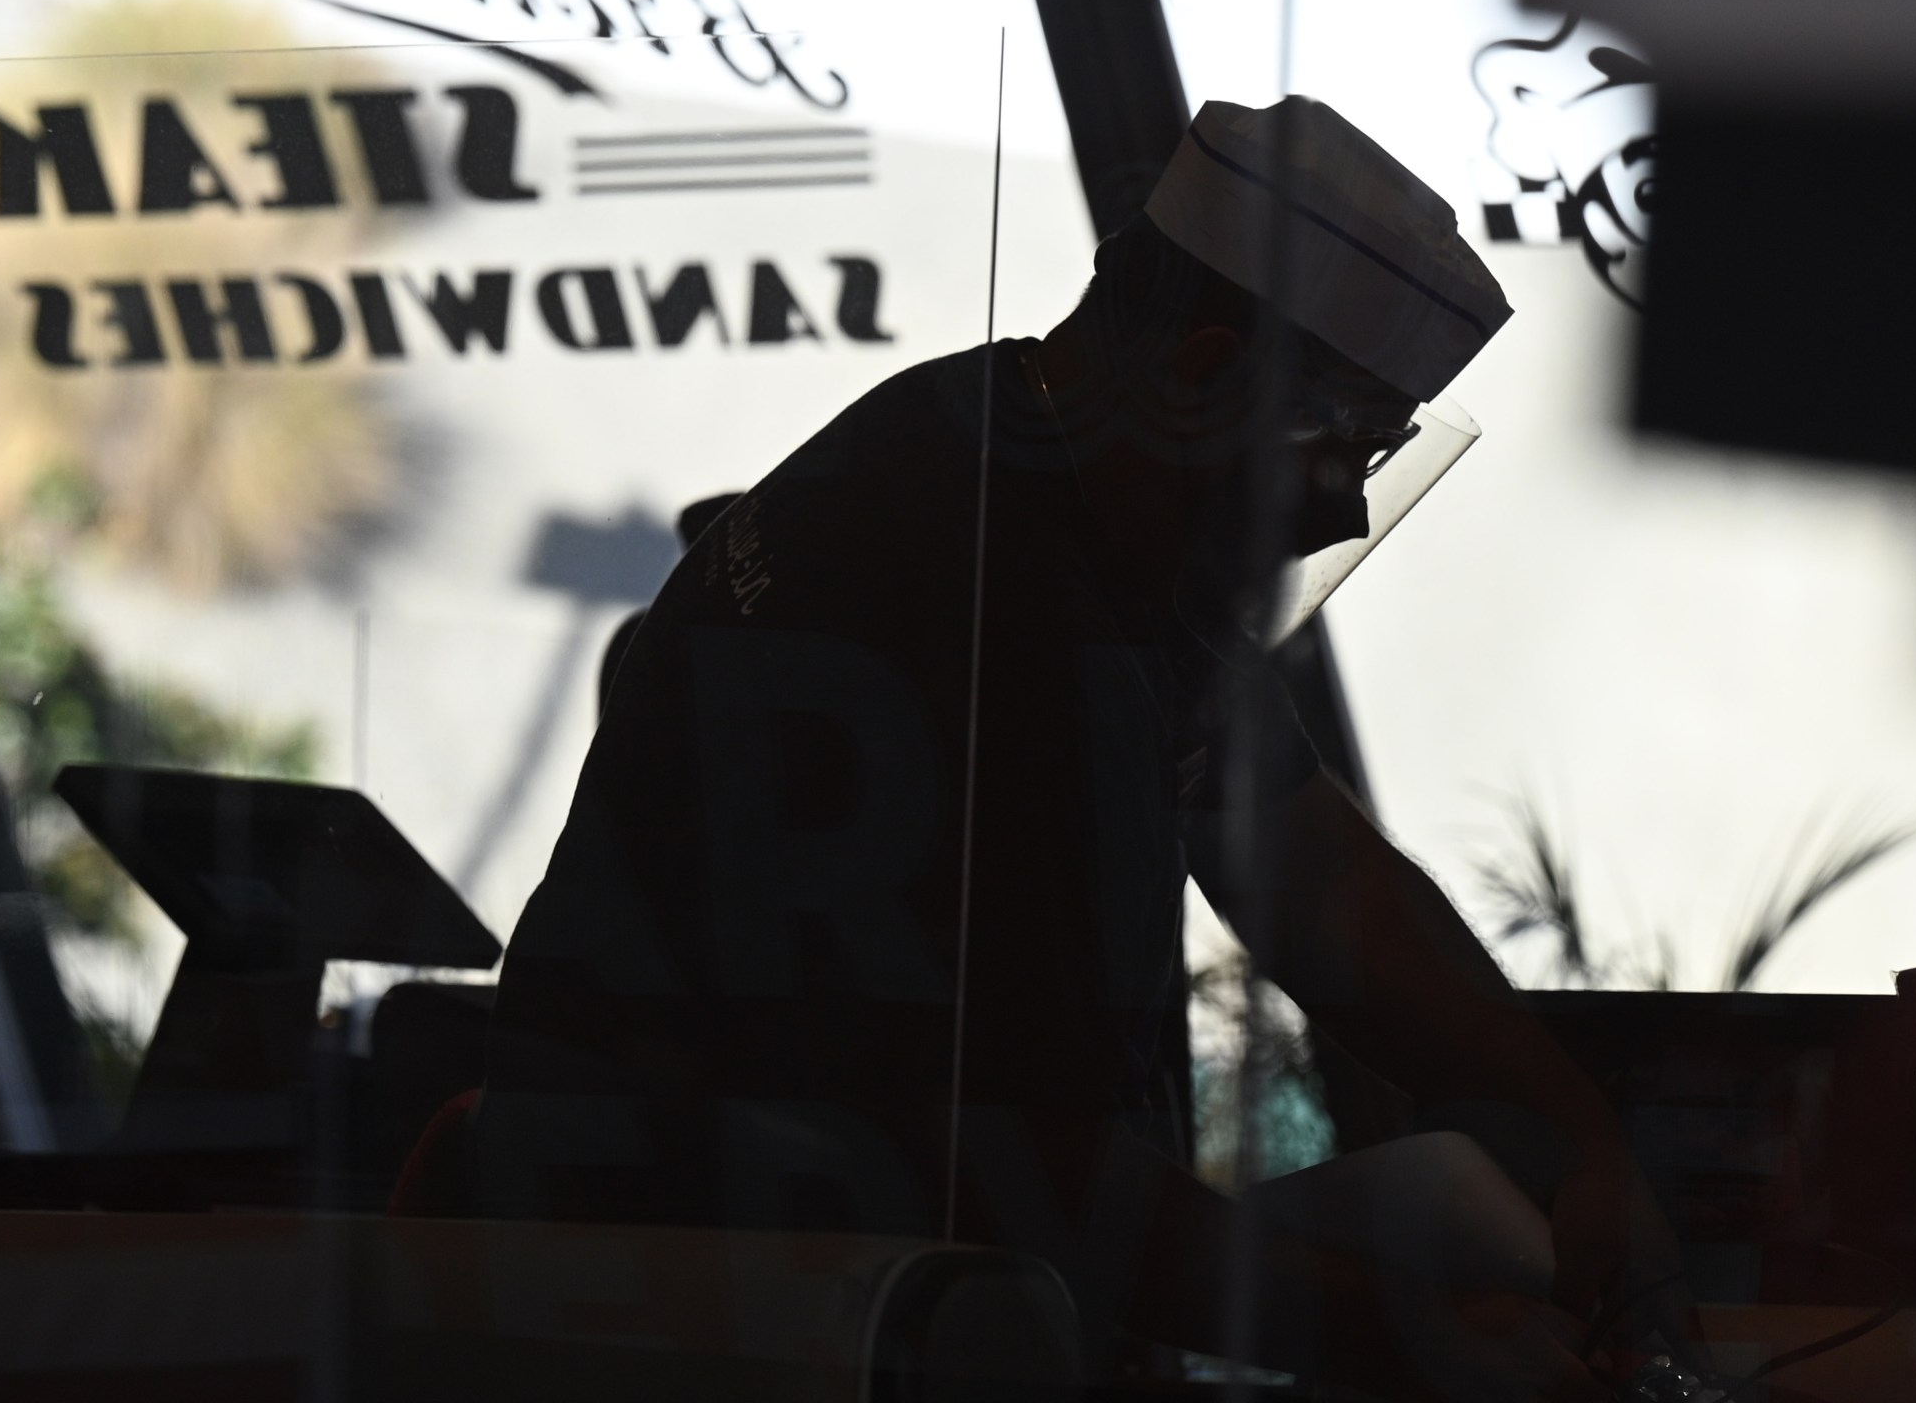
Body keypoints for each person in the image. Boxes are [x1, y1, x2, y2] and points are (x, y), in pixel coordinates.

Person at [467, 97, 1683, 1400]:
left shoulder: (1066, 499)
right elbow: (1023, 1169)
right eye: (1342, 445)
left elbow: (1313, 870)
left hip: (887, 1279)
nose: (1343, 509)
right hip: (691, 1321)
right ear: (1204, 376)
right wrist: (1403, 1335)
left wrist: (1574, 1139)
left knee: (1451, 1206)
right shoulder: (964, 582)